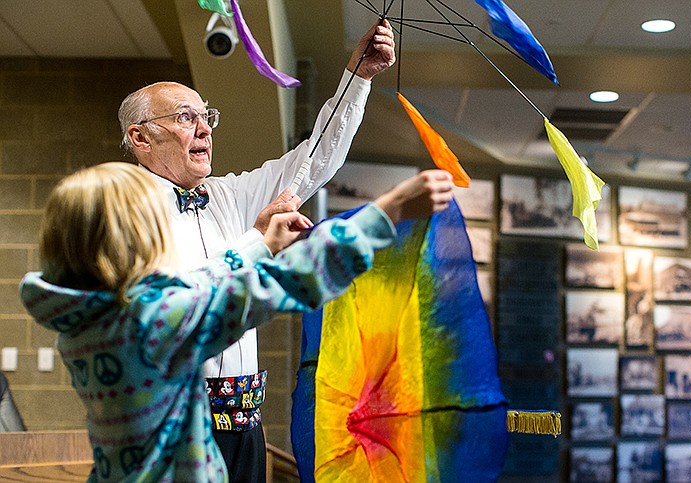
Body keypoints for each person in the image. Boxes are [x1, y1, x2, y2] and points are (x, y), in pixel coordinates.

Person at [19, 162, 453, 482]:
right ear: (134, 239)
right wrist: (386, 211)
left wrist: (260, 245)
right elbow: (283, 282)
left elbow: (198, 284)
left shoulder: (86, 318)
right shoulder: (156, 320)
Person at [117, 18, 395, 481]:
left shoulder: (225, 194)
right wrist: (258, 243)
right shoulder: (122, 206)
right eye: (186, 117)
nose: (204, 129)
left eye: (207, 116)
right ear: (141, 137)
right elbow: (183, 300)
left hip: (245, 423)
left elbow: (312, 161)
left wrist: (358, 76)